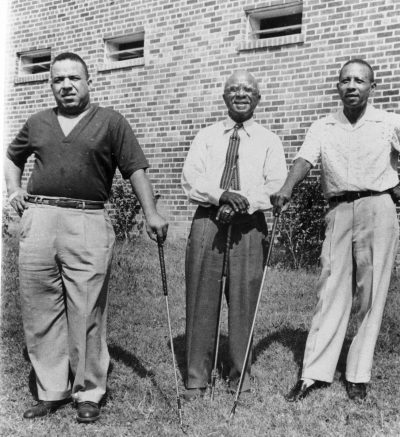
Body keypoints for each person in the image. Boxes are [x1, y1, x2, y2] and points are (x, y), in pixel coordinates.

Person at [4, 52, 168, 422]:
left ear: (88, 81)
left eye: (74, 78)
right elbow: (13, 156)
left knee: (87, 307)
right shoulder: (37, 122)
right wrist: (13, 190)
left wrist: (151, 212)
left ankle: (88, 391)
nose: (66, 85)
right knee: (39, 305)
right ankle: (51, 389)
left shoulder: (110, 122)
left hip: (88, 217)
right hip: (40, 218)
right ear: (51, 86)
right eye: (58, 80)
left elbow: (136, 169)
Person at [271, 59, 400, 402]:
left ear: (373, 87)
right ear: (337, 87)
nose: (352, 86)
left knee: (371, 292)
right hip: (339, 209)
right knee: (330, 287)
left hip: (379, 207)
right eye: (345, 80)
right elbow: (304, 160)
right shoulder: (323, 125)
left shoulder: (390, 123)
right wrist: (286, 188)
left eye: (360, 80)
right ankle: (314, 372)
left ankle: (358, 374)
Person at [181, 70, 287, 400]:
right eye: (233, 89)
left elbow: (275, 185)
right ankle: (197, 377)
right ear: (224, 97)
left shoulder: (269, 140)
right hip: (207, 222)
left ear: (258, 98)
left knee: (244, 299)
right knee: (201, 295)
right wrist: (221, 195)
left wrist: (241, 204)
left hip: (250, 225)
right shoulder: (207, 136)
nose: (240, 94)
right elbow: (190, 179)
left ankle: (239, 375)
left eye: (247, 90)